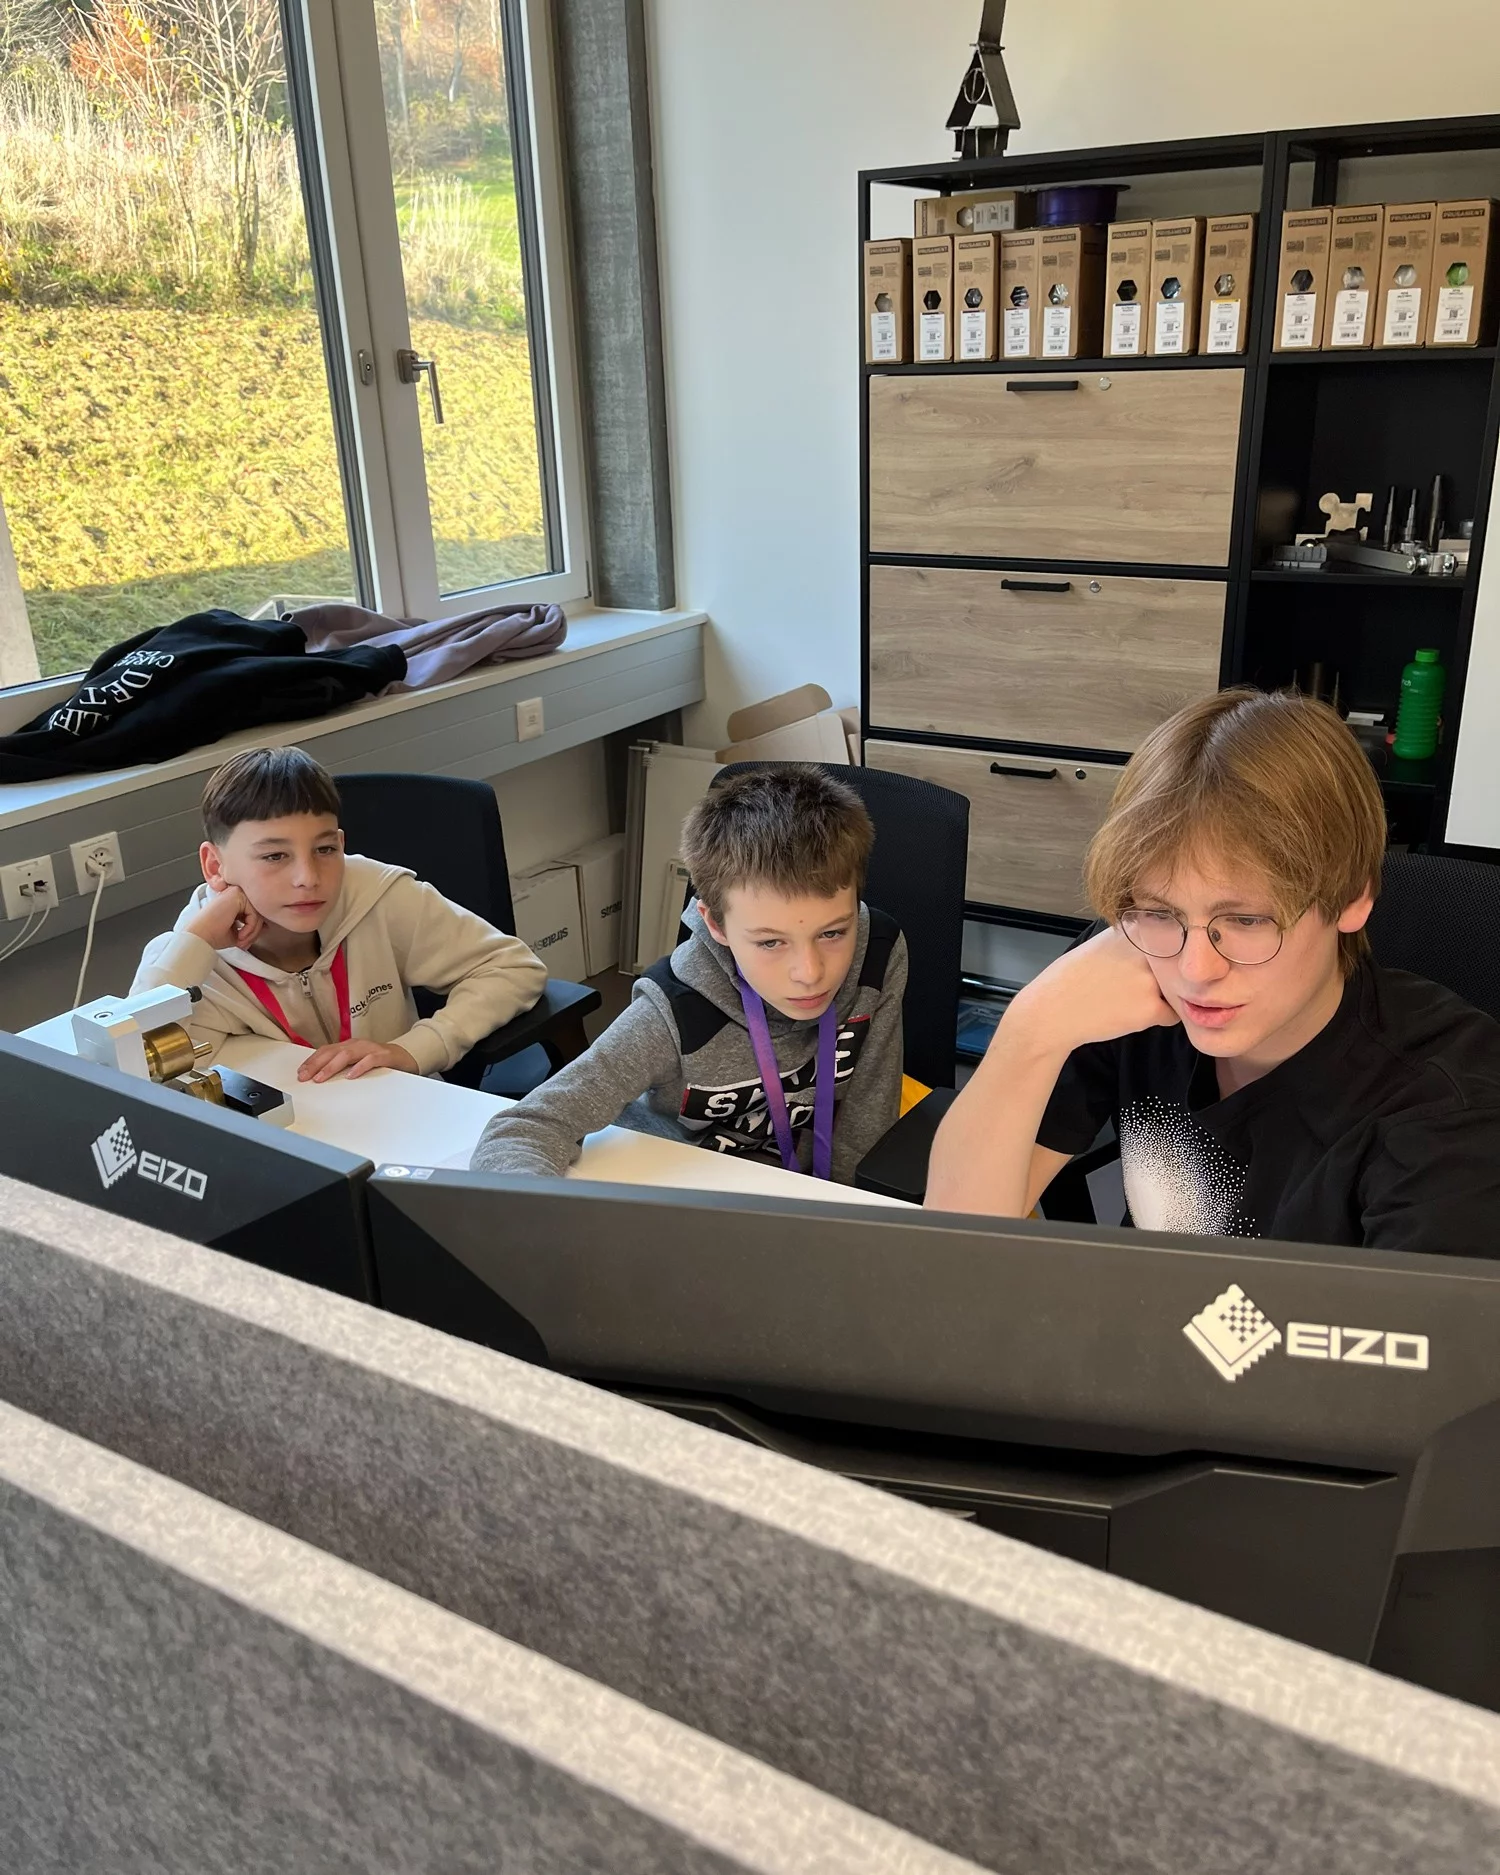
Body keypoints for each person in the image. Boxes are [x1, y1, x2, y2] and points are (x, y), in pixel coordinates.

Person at [926, 688, 1500, 1258]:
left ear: (1354, 897)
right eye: (1160, 912)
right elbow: (953, 1251)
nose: (1195, 971)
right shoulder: (1129, 970)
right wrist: (1031, 1028)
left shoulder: (1447, 1114)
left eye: (1247, 920)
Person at [471, 765, 907, 1183]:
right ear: (716, 924)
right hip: (678, 1192)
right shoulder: (671, 1013)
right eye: (770, 942)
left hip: (796, 1194)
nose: (810, 974)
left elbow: (866, 1125)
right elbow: (525, 1129)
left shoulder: (877, 953)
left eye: (832, 933)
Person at [133, 747, 547, 1083]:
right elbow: (132, 1065)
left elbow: (513, 968)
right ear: (215, 865)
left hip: (402, 1110)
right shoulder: (191, 957)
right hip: (291, 1134)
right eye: (274, 856)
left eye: (325, 849)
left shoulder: (379, 896)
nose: (308, 878)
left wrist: (418, 1048)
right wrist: (196, 941)